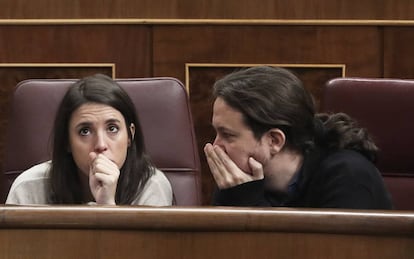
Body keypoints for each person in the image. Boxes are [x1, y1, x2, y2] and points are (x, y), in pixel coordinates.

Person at [204, 66, 393, 209]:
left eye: (227, 135)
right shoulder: (239, 182)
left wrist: (248, 203)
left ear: (274, 141)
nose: (216, 146)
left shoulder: (349, 176)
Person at [6, 74, 173, 206]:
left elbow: (148, 250)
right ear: (66, 142)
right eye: (85, 131)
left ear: (130, 136)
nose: (101, 144)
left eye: (112, 128)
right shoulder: (29, 188)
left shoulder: (151, 186)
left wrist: (107, 205)